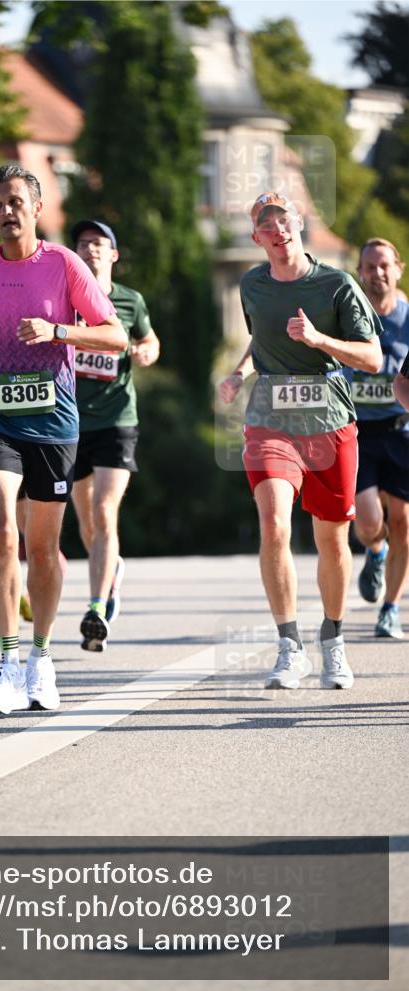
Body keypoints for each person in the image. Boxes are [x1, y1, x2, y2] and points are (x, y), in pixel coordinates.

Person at [0, 164, 125, 714]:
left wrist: (59, 331)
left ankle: (40, 659)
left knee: (43, 547)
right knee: (2, 533)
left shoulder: (64, 264)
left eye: (16, 202)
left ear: (37, 208)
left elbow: (115, 335)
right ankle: (5, 662)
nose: (6, 212)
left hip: (53, 421)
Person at [219, 193, 382, 690]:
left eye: (283, 220)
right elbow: (260, 339)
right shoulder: (252, 285)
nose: (277, 229)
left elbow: (372, 359)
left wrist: (319, 341)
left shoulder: (337, 284)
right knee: (273, 525)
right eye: (265, 224)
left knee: (332, 540)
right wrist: (239, 371)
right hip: (271, 422)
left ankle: (332, 641)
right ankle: (290, 647)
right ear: (257, 238)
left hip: (330, 423)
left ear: (299, 223)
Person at [71, 220, 160, 651]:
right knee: (87, 521)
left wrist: (146, 351)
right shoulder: (63, 299)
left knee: (105, 512)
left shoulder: (130, 300)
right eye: (83, 244)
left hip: (116, 419)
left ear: (114, 255)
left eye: (99, 244)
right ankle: (112, 571)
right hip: (68, 421)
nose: (90, 250)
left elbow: (150, 340)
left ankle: (97, 606)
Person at [349, 238, 409, 639]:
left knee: (403, 520)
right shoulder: (349, 314)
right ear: (360, 273)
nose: (378, 273)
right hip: (359, 432)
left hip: (401, 430)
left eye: (384, 265)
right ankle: (375, 549)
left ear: (398, 269)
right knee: (369, 521)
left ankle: (390, 608)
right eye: (369, 267)